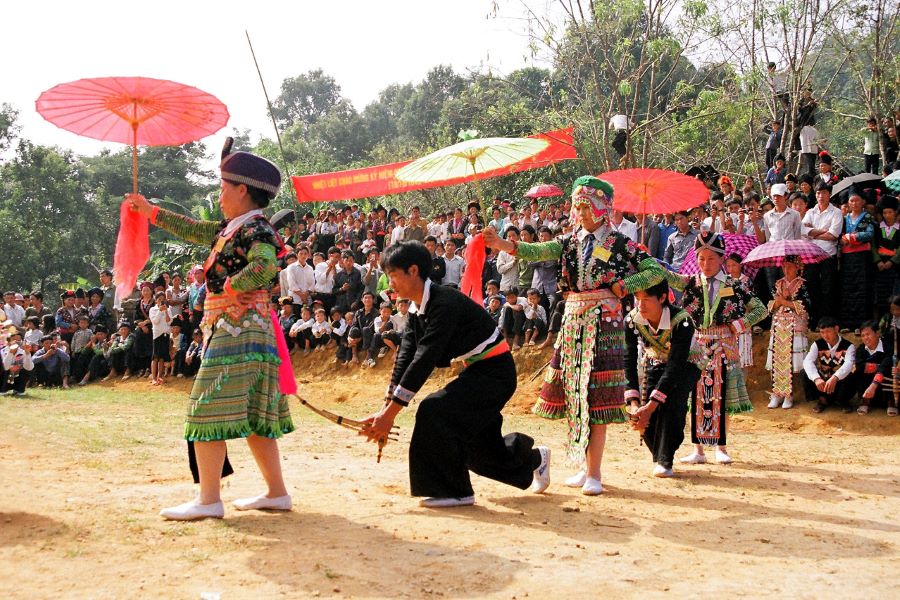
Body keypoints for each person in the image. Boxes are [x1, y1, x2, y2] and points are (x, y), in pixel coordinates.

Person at [128, 140, 294, 521]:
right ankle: (276, 492)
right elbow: (192, 228)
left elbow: (265, 267)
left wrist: (233, 287)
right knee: (256, 413)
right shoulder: (236, 228)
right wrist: (150, 211)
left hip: (238, 328)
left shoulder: (256, 232)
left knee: (205, 407)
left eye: (222, 188)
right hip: (248, 330)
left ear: (241, 190)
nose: (218, 196)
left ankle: (209, 499)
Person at [484, 175, 664, 495]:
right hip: (573, 322)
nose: (579, 213)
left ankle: (594, 471)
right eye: (577, 206)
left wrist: (626, 287)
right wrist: (503, 245)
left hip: (605, 324)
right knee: (576, 394)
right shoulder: (569, 241)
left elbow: (655, 271)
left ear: (601, 209)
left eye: (584, 207)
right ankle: (583, 467)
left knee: (596, 397)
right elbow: (537, 250)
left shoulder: (621, 244)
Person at [361, 241, 551, 507]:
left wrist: (390, 415)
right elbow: (406, 356)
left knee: (434, 410)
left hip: (495, 374)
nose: (390, 284)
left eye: (393, 276)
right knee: (475, 447)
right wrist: (386, 406)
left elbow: (424, 358)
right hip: (477, 372)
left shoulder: (444, 303)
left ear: (413, 270)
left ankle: (453, 490)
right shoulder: (417, 309)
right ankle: (533, 459)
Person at [664, 231, 767, 465]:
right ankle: (698, 449)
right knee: (695, 397)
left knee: (722, 397)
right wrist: (647, 258)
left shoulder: (735, 285)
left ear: (721, 259)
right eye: (701, 259)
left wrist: (739, 325)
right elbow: (668, 275)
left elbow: (761, 309)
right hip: (697, 345)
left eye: (711, 259)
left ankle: (721, 446)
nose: (705, 264)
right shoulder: (690, 282)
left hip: (724, 346)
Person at [624, 280, 702, 477]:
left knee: (671, 404)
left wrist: (650, 408)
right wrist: (633, 404)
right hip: (657, 361)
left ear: (662, 298)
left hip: (688, 364)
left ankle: (665, 460)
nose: (641, 305)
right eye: (637, 299)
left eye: (646, 299)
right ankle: (660, 456)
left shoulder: (682, 321)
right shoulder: (632, 320)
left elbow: (676, 366)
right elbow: (628, 359)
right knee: (648, 406)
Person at [765, 256, 811, 409]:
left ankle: (788, 395)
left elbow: (806, 306)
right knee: (777, 359)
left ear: (798, 267)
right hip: (778, 324)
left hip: (794, 324)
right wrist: (778, 301)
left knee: (789, 359)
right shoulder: (778, 283)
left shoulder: (803, 285)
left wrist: (786, 301)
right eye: (784, 266)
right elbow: (770, 305)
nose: (786, 269)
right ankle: (776, 393)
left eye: (790, 266)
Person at [801, 182, 842, 328]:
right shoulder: (810, 212)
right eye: (818, 193)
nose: (820, 196)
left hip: (827, 255)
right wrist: (822, 231)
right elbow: (803, 231)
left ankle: (827, 321)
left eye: (824, 193)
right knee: (811, 287)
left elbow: (833, 235)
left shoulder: (836, 212)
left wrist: (813, 233)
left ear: (829, 194)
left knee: (828, 289)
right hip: (811, 256)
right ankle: (814, 320)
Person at [803, 317, 855, 413]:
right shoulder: (817, 344)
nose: (825, 335)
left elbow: (848, 364)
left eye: (828, 331)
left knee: (852, 374)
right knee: (806, 372)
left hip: (839, 382)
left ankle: (843, 401)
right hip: (824, 379)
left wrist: (835, 377)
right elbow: (807, 361)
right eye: (822, 332)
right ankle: (823, 400)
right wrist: (816, 378)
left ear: (836, 329)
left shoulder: (849, 346)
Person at [840, 191, 875, 332]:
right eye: (851, 201)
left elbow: (870, 233)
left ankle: (861, 324)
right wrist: (844, 238)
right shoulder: (844, 218)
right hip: (847, 257)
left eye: (857, 200)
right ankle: (848, 323)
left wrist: (853, 236)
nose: (854, 203)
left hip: (862, 257)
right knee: (848, 288)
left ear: (863, 202)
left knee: (862, 288)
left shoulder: (867, 217)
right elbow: (839, 235)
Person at [851, 321, 892, 415]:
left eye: (868, 334)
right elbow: (859, 367)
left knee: (890, 371)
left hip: (883, 380)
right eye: (863, 335)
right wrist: (879, 366)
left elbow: (886, 365)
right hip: (868, 380)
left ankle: (890, 402)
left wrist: (875, 381)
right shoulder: (861, 349)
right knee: (858, 373)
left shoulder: (888, 348)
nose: (865, 338)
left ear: (877, 333)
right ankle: (865, 400)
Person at [872, 195, 900, 319]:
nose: (887, 215)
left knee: (893, 294)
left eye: (890, 212)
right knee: (880, 296)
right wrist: (877, 260)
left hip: (895, 267)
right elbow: (873, 245)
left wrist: (892, 261)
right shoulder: (878, 228)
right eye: (885, 212)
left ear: (895, 213)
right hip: (879, 267)